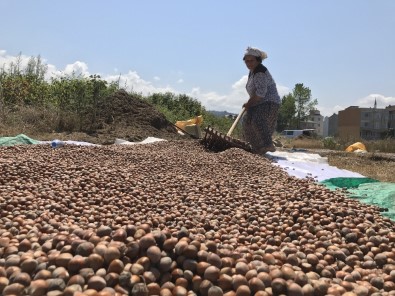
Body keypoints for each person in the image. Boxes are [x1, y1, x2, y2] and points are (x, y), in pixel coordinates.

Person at [241, 46, 281, 155]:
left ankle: (268, 144)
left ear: (258, 60)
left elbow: (260, 94)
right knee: (246, 121)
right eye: (247, 61)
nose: (249, 63)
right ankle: (255, 147)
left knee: (257, 119)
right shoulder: (252, 72)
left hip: (269, 101)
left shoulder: (260, 72)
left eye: (252, 61)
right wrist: (249, 103)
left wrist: (249, 103)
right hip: (258, 102)